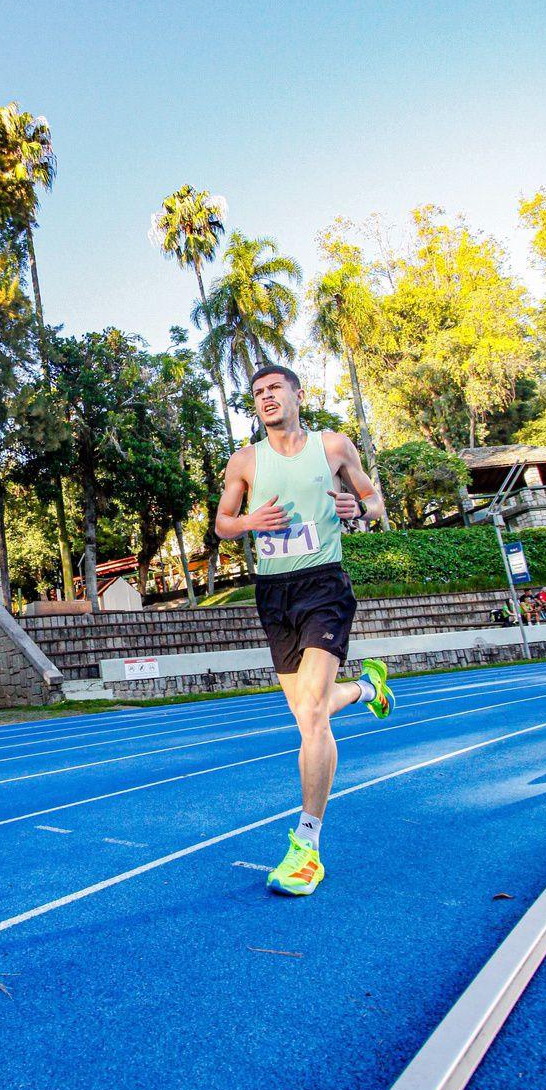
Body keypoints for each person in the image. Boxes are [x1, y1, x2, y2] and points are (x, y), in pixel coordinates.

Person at [216, 365, 396, 896]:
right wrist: (249, 523)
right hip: (274, 593)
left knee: (312, 716)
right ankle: (368, 688)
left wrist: (358, 510)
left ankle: (307, 848)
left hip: (323, 586)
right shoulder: (245, 460)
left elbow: (373, 499)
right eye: (257, 393)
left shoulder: (333, 445)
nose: (266, 398)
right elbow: (224, 522)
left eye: (275, 389)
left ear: (298, 394)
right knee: (306, 710)